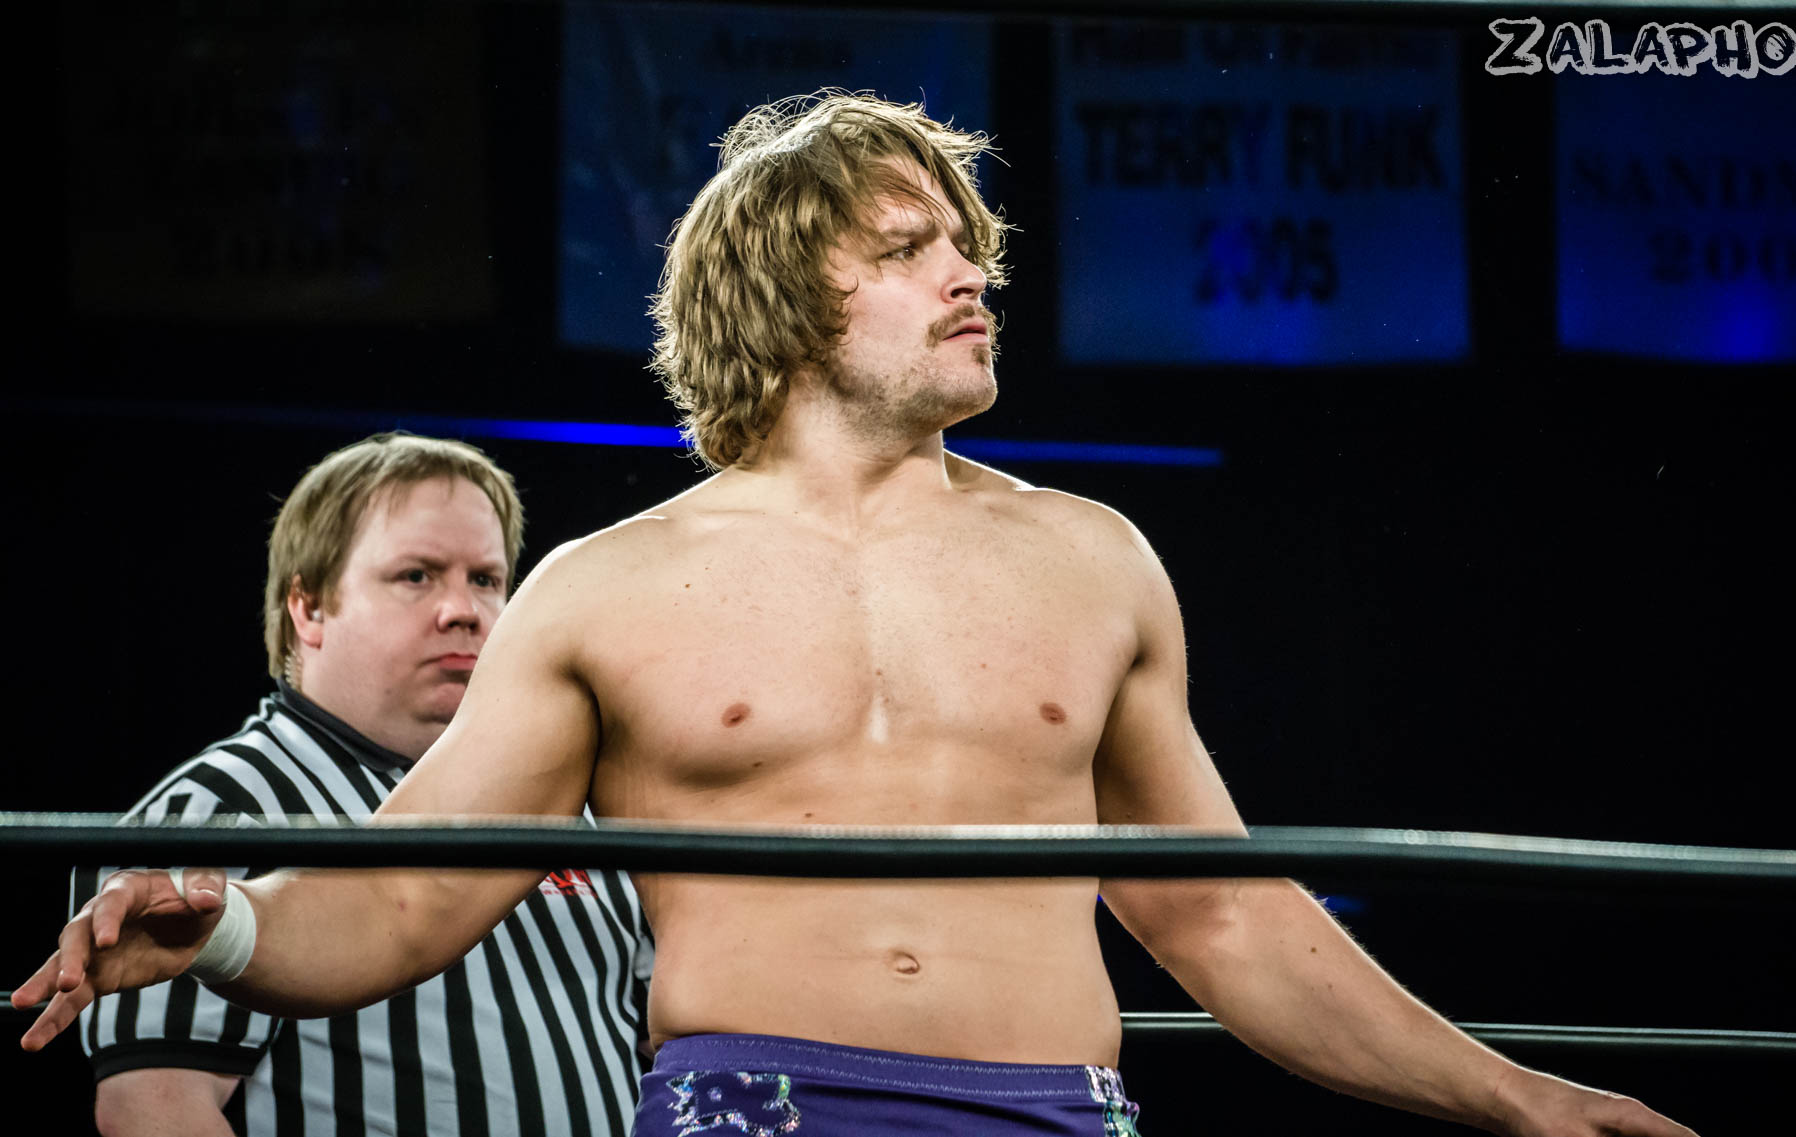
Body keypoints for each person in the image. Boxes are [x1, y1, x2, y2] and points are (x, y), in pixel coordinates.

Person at [21, 95, 1693, 1137]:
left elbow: (1227, 920)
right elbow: (407, 899)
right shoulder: (605, 588)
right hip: (752, 1111)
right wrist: (227, 928)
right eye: (911, 248)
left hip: (1057, 1111)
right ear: (784, 297)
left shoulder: (1097, 560)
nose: (974, 274)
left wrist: (1516, 1095)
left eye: (970, 244)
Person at [72, 433, 653, 1137]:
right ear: (309, 609)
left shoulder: (570, 809)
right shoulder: (220, 807)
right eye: (417, 575)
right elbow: (153, 1109)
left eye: (486, 579)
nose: (463, 610)